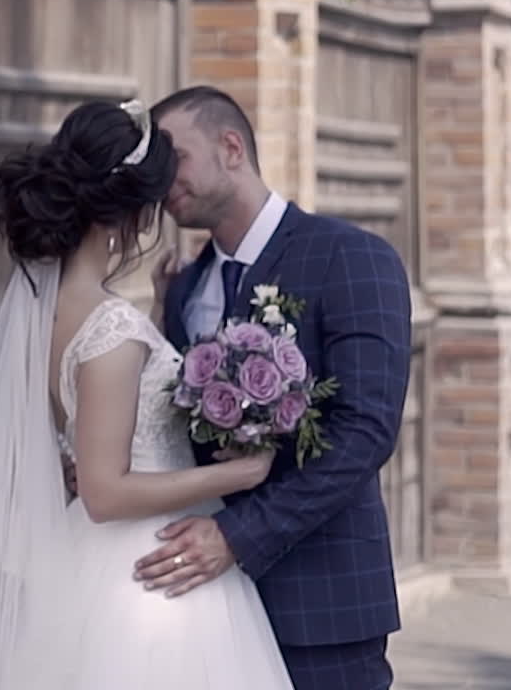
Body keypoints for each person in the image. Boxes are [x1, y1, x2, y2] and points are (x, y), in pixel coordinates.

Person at [0, 98, 295, 690]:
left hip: (87, 560)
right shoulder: (111, 328)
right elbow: (104, 492)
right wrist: (237, 477)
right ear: (130, 214)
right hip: (145, 571)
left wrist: (161, 311)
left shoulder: (54, 312)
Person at [134, 86, 412, 690]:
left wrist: (238, 536)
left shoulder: (352, 256)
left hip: (322, 603)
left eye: (173, 157)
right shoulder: (183, 290)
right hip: (205, 607)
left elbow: (366, 431)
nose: (161, 181)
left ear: (231, 147)